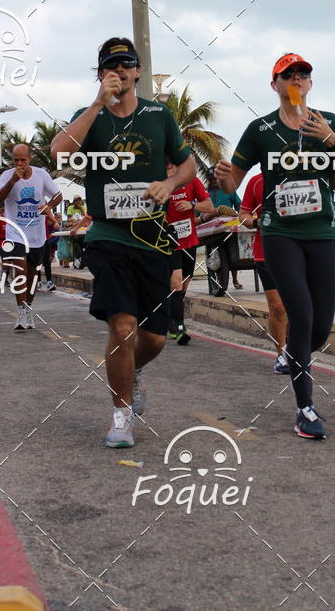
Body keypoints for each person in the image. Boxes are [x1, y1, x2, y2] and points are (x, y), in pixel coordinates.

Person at [51, 37, 196, 449]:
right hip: (108, 235)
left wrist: (170, 183)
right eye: (111, 66)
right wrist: (97, 104)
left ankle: (131, 372)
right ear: (100, 74)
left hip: (152, 238)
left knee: (154, 338)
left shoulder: (158, 115)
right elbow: (58, 153)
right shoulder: (89, 116)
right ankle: (121, 416)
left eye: (127, 64)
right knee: (123, 325)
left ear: (138, 71)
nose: (120, 71)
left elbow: (187, 163)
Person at [214, 52, 335, 440]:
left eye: (302, 74)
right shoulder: (260, 129)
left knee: (320, 328)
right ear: (275, 84)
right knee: (301, 314)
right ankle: (304, 407)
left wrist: (332, 142)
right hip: (280, 234)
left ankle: (294, 357)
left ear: (310, 84)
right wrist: (224, 176)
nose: (296, 79)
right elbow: (232, 184)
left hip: (323, 234)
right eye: (287, 74)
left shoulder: (330, 123)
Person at [0, 144, 62, 331]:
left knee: (32, 276)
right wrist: (12, 182)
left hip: (37, 235)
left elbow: (58, 195)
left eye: (22, 160)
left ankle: (28, 308)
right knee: (20, 271)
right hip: (15, 233)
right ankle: (21, 312)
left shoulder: (41, 175)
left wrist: (49, 206)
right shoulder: (7, 176)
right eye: (15, 160)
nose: (19, 164)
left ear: (30, 159)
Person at [239, 174, 289, 374]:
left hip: (298, 250)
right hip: (266, 252)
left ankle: (295, 349)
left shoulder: (298, 178)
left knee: (297, 306)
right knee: (277, 307)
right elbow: (243, 214)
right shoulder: (256, 181)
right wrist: (256, 222)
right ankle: (282, 355)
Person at [165, 160, 214, 344]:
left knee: (182, 287)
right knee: (176, 283)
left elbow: (209, 206)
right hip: (169, 243)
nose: (169, 168)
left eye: (171, 165)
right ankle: (180, 329)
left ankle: (170, 320)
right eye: (165, 165)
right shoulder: (159, 184)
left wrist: (191, 204)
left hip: (189, 242)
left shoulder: (192, 181)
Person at [205, 165, 244, 289]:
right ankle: (217, 282)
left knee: (232, 252)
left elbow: (239, 206)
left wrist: (242, 214)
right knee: (213, 254)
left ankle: (235, 279)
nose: (213, 181)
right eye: (210, 179)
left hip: (228, 227)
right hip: (210, 231)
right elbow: (197, 212)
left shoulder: (229, 190)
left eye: (214, 179)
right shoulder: (204, 193)